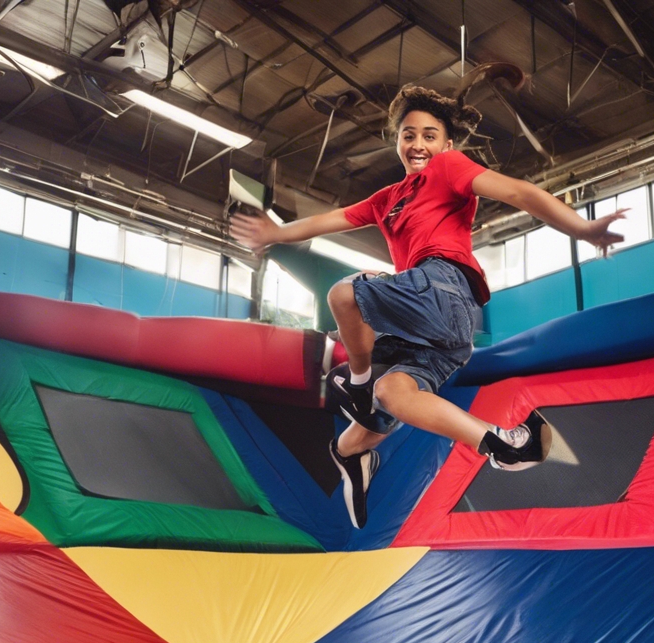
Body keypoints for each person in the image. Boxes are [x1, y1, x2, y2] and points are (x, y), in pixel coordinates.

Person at [231, 84, 626, 528]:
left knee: (345, 293)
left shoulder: (447, 169)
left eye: (429, 135)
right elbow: (328, 221)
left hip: (441, 290)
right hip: (436, 332)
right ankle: (501, 446)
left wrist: (582, 228)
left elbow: (517, 192)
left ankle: (358, 383)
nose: (418, 144)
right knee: (393, 396)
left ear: (447, 145)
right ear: (397, 141)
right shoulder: (387, 199)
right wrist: (274, 233)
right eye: (409, 135)